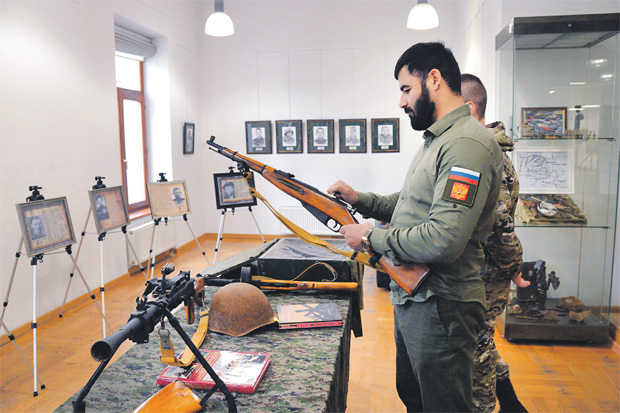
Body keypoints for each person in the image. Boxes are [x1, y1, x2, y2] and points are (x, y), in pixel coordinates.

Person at [328, 42, 503, 412]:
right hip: (419, 299)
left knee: (443, 406)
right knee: (416, 398)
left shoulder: (466, 144)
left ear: (434, 80)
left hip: (442, 304)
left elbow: (443, 239)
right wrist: (359, 198)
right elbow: (409, 204)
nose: (401, 101)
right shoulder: (439, 140)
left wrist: (370, 236)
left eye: (406, 89)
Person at [461, 73, 530, 413]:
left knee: (477, 347)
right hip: (485, 269)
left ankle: (487, 407)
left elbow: (500, 229)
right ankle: (513, 404)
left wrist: (514, 269)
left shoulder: (489, 156)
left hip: (489, 271)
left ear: (468, 108)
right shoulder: (483, 150)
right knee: (482, 341)